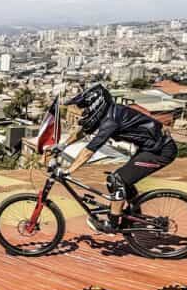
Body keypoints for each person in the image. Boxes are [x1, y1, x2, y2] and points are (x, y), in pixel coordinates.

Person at [58, 83, 178, 233]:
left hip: (160, 151)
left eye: (84, 109)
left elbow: (89, 150)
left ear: (96, 105)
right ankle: (134, 215)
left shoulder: (111, 121)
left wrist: (69, 170)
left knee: (118, 180)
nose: (83, 113)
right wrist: (62, 146)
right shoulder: (110, 113)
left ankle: (112, 224)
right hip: (151, 148)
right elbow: (83, 131)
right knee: (118, 181)